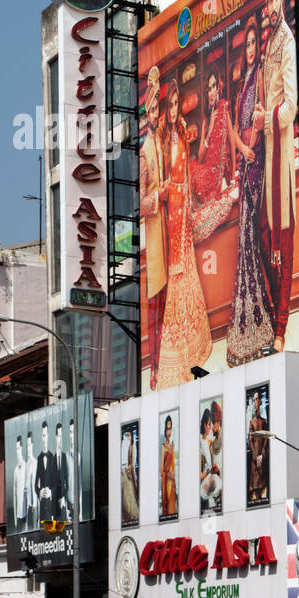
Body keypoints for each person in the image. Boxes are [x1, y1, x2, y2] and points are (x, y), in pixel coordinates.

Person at [253, 0, 299, 353]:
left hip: (282, 157)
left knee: (283, 238)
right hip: (267, 156)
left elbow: (292, 106)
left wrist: (266, 118)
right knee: (264, 235)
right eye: (267, 0)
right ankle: (272, 317)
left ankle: (282, 325)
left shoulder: (286, 41)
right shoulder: (268, 45)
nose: (271, 6)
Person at [224, 17, 277, 367]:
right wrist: (241, 149)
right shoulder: (243, 82)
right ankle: (245, 324)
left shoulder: (259, 78)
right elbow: (234, 129)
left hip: (256, 164)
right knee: (244, 240)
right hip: (246, 161)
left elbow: (258, 121)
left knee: (252, 237)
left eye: (255, 42)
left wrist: (248, 148)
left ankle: (261, 320)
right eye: (248, 44)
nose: (252, 48)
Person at [155, 78, 212, 388]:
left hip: (185, 198)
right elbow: (165, 178)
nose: (176, 108)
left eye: (178, 103)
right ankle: (176, 347)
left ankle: (194, 336)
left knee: (187, 264)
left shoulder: (180, 131)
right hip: (172, 206)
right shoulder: (166, 138)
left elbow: (188, 167)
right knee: (178, 268)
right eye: (172, 104)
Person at [139, 68, 169, 389]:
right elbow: (140, 200)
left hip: (168, 233)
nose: (156, 115)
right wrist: (157, 197)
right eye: (153, 111)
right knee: (154, 305)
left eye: (158, 109)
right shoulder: (146, 152)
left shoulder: (161, 142)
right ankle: (155, 366)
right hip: (153, 240)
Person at [191, 67, 239, 241]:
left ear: (219, 89)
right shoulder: (206, 120)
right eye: (208, 89)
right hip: (207, 171)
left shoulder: (224, 110)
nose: (211, 92)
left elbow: (232, 144)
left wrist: (233, 176)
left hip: (218, 175)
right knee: (191, 171)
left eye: (213, 87)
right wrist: (210, 129)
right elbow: (201, 156)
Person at [246, 392, 269, 505]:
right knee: (254, 486)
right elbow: (250, 440)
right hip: (255, 459)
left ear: (260, 401)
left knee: (263, 485)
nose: (256, 402)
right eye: (254, 399)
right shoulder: (252, 422)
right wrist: (256, 456)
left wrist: (262, 455)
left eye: (257, 399)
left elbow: (266, 438)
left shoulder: (264, 421)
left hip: (262, 458)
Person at [199, 406, 222, 514]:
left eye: (211, 424)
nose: (210, 427)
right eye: (208, 424)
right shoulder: (200, 442)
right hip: (205, 482)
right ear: (204, 424)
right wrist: (209, 471)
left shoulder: (209, 442)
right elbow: (199, 474)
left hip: (211, 479)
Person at [160, 415, 178, 519]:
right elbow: (161, 470)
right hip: (167, 480)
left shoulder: (173, 446)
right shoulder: (164, 446)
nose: (169, 432)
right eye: (167, 429)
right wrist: (167, 475)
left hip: (173, 479)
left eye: (170, 429)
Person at [121, 430, 139, 526]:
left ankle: (130, 515)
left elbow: (132, 463)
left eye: (129, 435)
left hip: (129, 475)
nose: (129, 437)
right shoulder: (129, 446)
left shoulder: (132, 447)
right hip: (128, 474)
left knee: (129, 496)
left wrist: (128, 470)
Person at [11, 435, 28, 530]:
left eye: (18, 448)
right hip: (18, 515)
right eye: (16, 449)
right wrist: (14, 519)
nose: (17, 451)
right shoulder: (16, 470)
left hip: (26, 513)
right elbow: (14, 495)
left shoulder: (27, 466)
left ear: (22, 448)